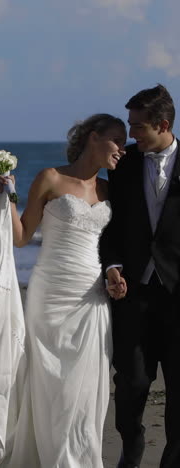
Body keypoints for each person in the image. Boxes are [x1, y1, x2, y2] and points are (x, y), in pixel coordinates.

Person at [0, 113, 126, 468]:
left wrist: (114, 273)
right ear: (94, 137)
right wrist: (7, 195)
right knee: (50, 387)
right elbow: (21, 237)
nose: (122, 149)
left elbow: (113, 247)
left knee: (87, 390)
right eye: (117, 140)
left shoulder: (109, 189)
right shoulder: (51, 177)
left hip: (92, 299)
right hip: (50, 296)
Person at [100, 84, 180, 468]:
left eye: (138, 126)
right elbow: (109, 226)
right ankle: (131, 452)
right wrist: (112, 265)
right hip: (133, 296)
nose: (130, 134)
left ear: (162, 124)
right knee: (130, 386)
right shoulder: (124, 164)